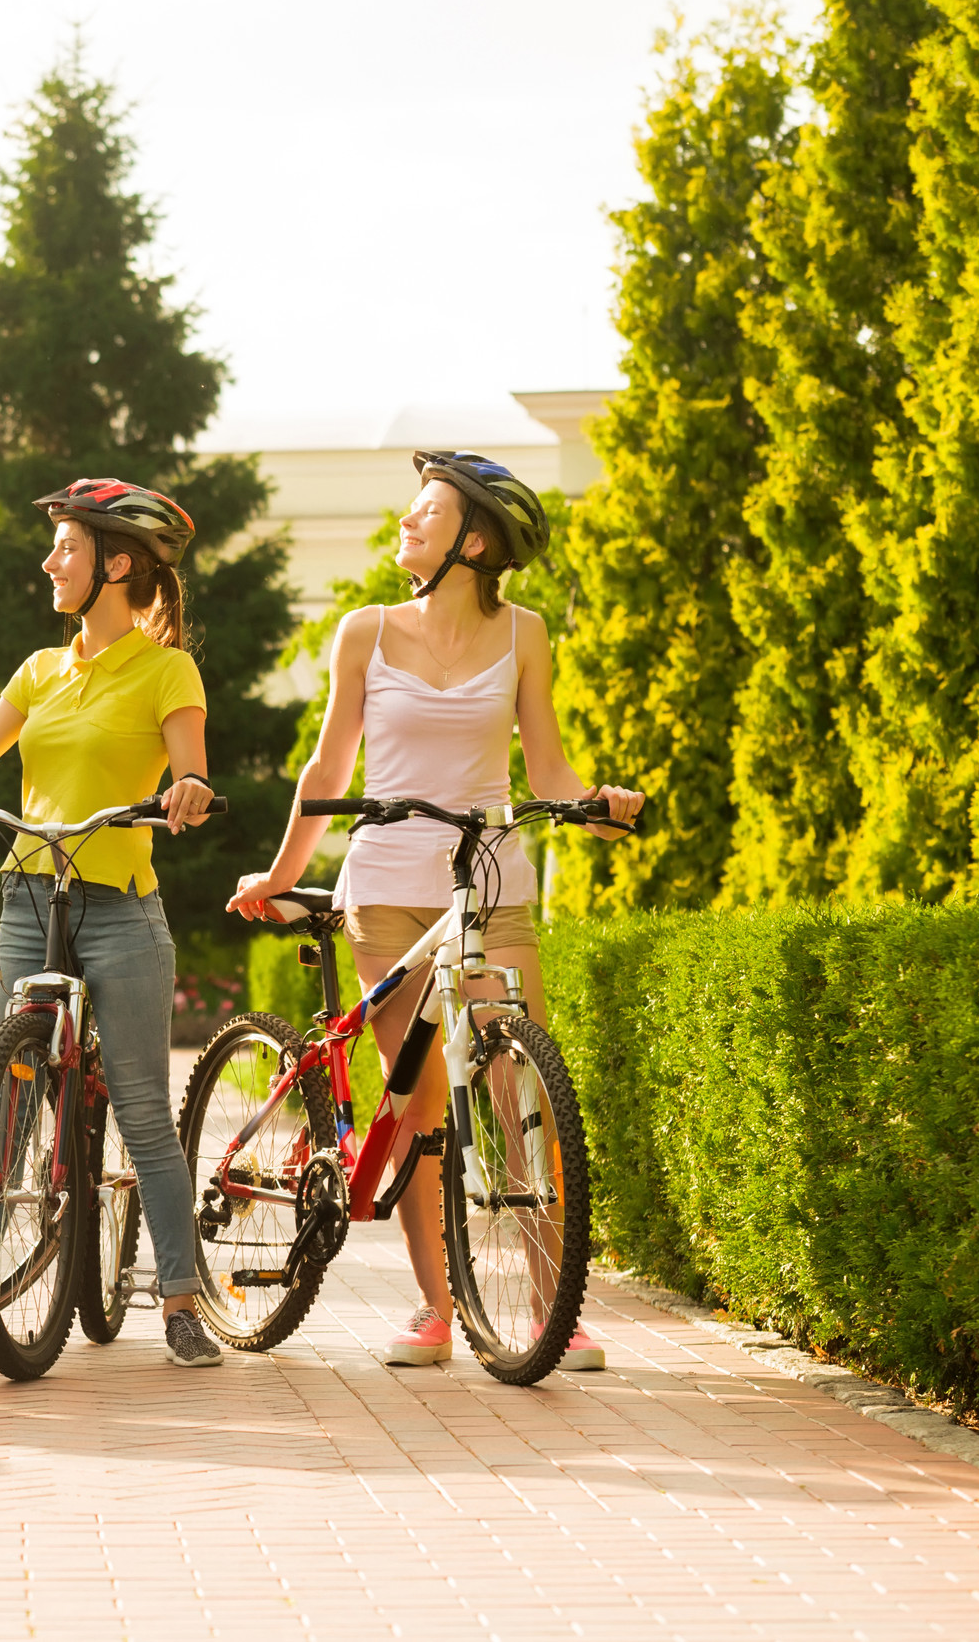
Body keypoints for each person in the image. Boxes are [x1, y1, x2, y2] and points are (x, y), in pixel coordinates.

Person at [228, 450, 642, 1371]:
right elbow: (328, 772)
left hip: (493, 886)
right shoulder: (364, 632)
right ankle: (434, 1309)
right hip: (386, 888)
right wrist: (279, 871)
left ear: (476, 539)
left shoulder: (525, 634)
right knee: (414, 1105)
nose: (406, 525)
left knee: (521, 1092)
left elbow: (550, 767)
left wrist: (595, 807)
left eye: (426, 513)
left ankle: (553, 1310)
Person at [0, 477, 223, 1369]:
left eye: (67, 549)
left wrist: (186, 789)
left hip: (119, 906)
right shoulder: (41, 669)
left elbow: (188, 764)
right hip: (29, 900)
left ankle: (182, 1302)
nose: (49, 561)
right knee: (3, 1111)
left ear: (116, 564)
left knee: (146, 1113)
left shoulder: (165, 668)